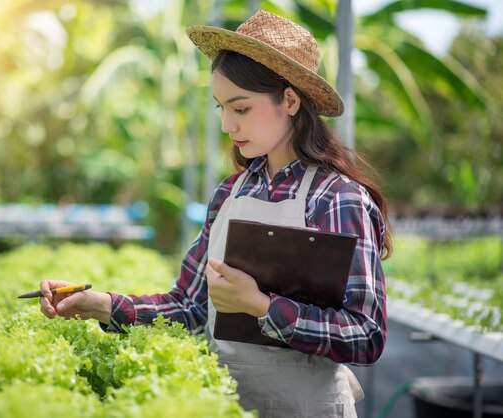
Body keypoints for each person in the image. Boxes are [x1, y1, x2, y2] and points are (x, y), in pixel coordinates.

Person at [39, 10, 391, 418]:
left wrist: (262, 306)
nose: (227, 124)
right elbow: (189, 308)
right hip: (226, 406)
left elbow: (366, 335)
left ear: (290, 100)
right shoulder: (230, 193)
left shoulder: (338, 199)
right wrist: (98, 304)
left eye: (240, 108)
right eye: (221, 107)